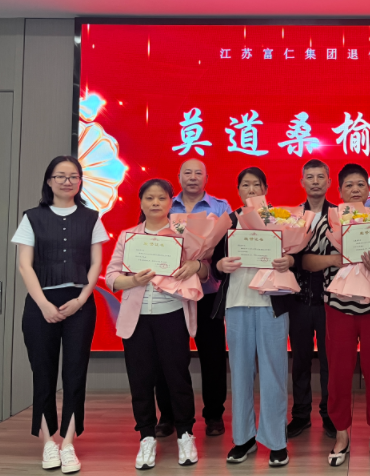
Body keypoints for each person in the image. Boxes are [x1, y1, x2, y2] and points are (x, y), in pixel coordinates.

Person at [12, 155, 107, 474]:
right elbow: (24, 265)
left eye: (73, 176)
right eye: (60, 176)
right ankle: (48, 443)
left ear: (80, 182)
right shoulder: (32, 217)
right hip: (41, 303)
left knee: (75, 374)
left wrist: (81, 300)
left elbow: (96, 264)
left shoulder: (92, 217)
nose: (67, 181)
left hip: (80, 303)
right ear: (49, 181)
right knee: (43, 373)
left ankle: (67, 444)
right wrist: (43, 304)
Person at [106, 178, 207, 469]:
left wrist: (196, 265)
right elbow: (111, 277)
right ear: (141, 202)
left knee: (178, 377)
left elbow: (204, 271)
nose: (155, 203)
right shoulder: (128, 236)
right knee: (140, 380)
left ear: (170, 202)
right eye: (149, 198)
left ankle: (185, 434)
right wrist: (132, 281)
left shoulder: (182, 233)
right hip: (136, 320)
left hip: (171, 315)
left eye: (161, 198)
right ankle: (146, 437)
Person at [304, 163, 370, 468]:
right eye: (349, 185)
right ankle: (341, 435)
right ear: (340, 190)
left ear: (369, 189)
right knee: (338, 374)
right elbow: (306, 262)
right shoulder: (328, 221)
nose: (355, 189)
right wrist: (335, 259)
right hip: (338, 308)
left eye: (361, 184)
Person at [211, 167, 295, 468]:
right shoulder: (228, 221)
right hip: (237, 303)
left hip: (271, 303)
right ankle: (243, 438)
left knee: (274, 372)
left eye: (256, 185)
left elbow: (295, 255)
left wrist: (290, 259)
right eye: (245, 185)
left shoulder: (280, 219)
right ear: (238, 190)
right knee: (241, 372)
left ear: (265, 189)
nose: (250, 190)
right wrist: (220, 265)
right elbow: (213, 261)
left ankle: (276, 441)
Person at [154, 159, 231, 438]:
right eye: (187, 172)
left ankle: (214, 415)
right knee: (168, 357)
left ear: (207, 178)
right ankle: (169, 415)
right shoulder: (165, 204)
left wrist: (202, 263)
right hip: (171, 293)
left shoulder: (220, 208)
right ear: (178, 176)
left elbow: (226, 248)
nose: (193, 177)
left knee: (213, 356)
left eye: (199, 173)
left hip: (207, 292)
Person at [286, 159, 336, 439]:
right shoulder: (292, 217)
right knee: (300, 360)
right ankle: (301, 414)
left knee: (331, 361)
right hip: (299, 299)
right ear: (302, 182)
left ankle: (330, 414)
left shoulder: (340, 216)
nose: (315, 181)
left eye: (320, 177)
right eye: (310, 177)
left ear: (329, 182)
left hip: (332, 300)